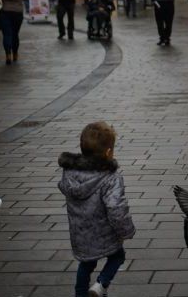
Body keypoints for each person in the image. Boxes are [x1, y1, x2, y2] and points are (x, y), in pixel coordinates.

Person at [58, 122, 135, 297]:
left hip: (80, 233)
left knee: (86, 264)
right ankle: (100, 285)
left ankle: (80, 294)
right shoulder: (110, 178)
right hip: (105, 232)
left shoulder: (70, 174)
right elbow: (116, 208)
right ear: (108, 153)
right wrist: (126, 230)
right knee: (117, 256)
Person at [0, 0, 28, 65]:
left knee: (7, 34)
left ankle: (8, 55)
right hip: (18, 13)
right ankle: (15, 54)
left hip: (6, 12)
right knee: (15, 34)